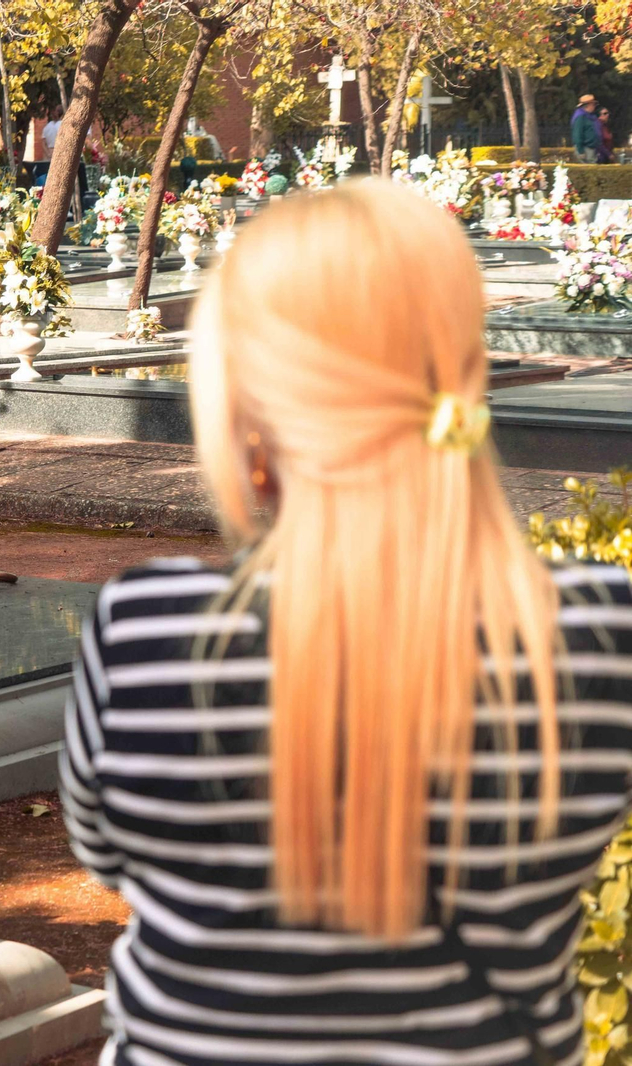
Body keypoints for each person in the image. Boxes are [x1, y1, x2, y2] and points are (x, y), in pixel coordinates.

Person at [61, 179, 632, 1065]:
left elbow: (107, 858)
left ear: (246, 412)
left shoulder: (146, 631)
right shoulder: (597, 631)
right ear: (466, 382)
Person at [572, 93, 601, 163]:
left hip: (591, 148)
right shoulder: (580, 117)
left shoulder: (589, 116)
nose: (594, 106)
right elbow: (577, 134)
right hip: (585, 149)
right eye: (593, 104)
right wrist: (581, 151)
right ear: (588, 105)